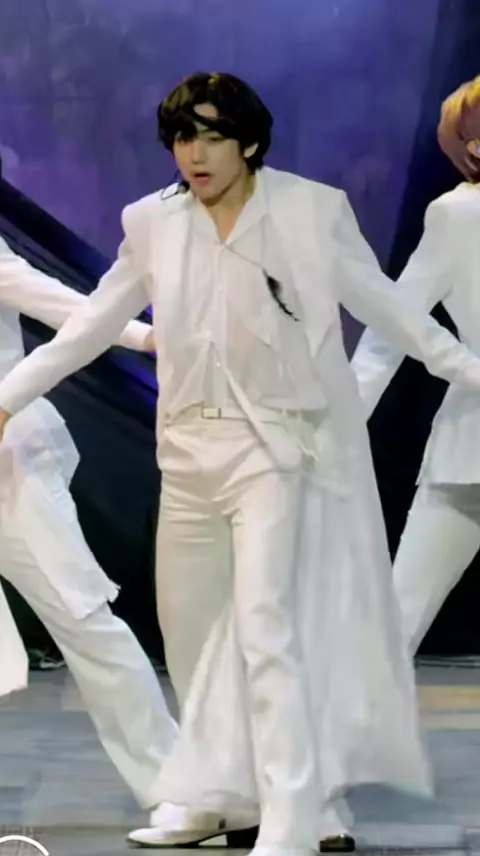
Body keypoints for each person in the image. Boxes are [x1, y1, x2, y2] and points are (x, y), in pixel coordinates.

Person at [2, 71, 480, 856]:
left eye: (212, 136)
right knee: (193, 637)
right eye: (183, 138)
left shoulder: (310, 212)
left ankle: (295, 819)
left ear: (250, 142)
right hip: (190, 458)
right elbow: (87, 326)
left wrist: (468, 370)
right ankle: (223, 797)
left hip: (276, 454)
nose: (195, 153)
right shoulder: (152, 223)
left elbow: (396, 314)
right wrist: (8, 398)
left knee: (265, 629)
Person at [0, 229, 178, 811]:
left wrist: (143, 336)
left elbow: (54, 301)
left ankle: (177, 783)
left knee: (83, 618)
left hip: (8, 464)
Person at [351, 75, 480, 655]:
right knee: (397, 620)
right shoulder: (458, 216)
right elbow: (393, 324)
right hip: (470, 445)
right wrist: (342, 418)